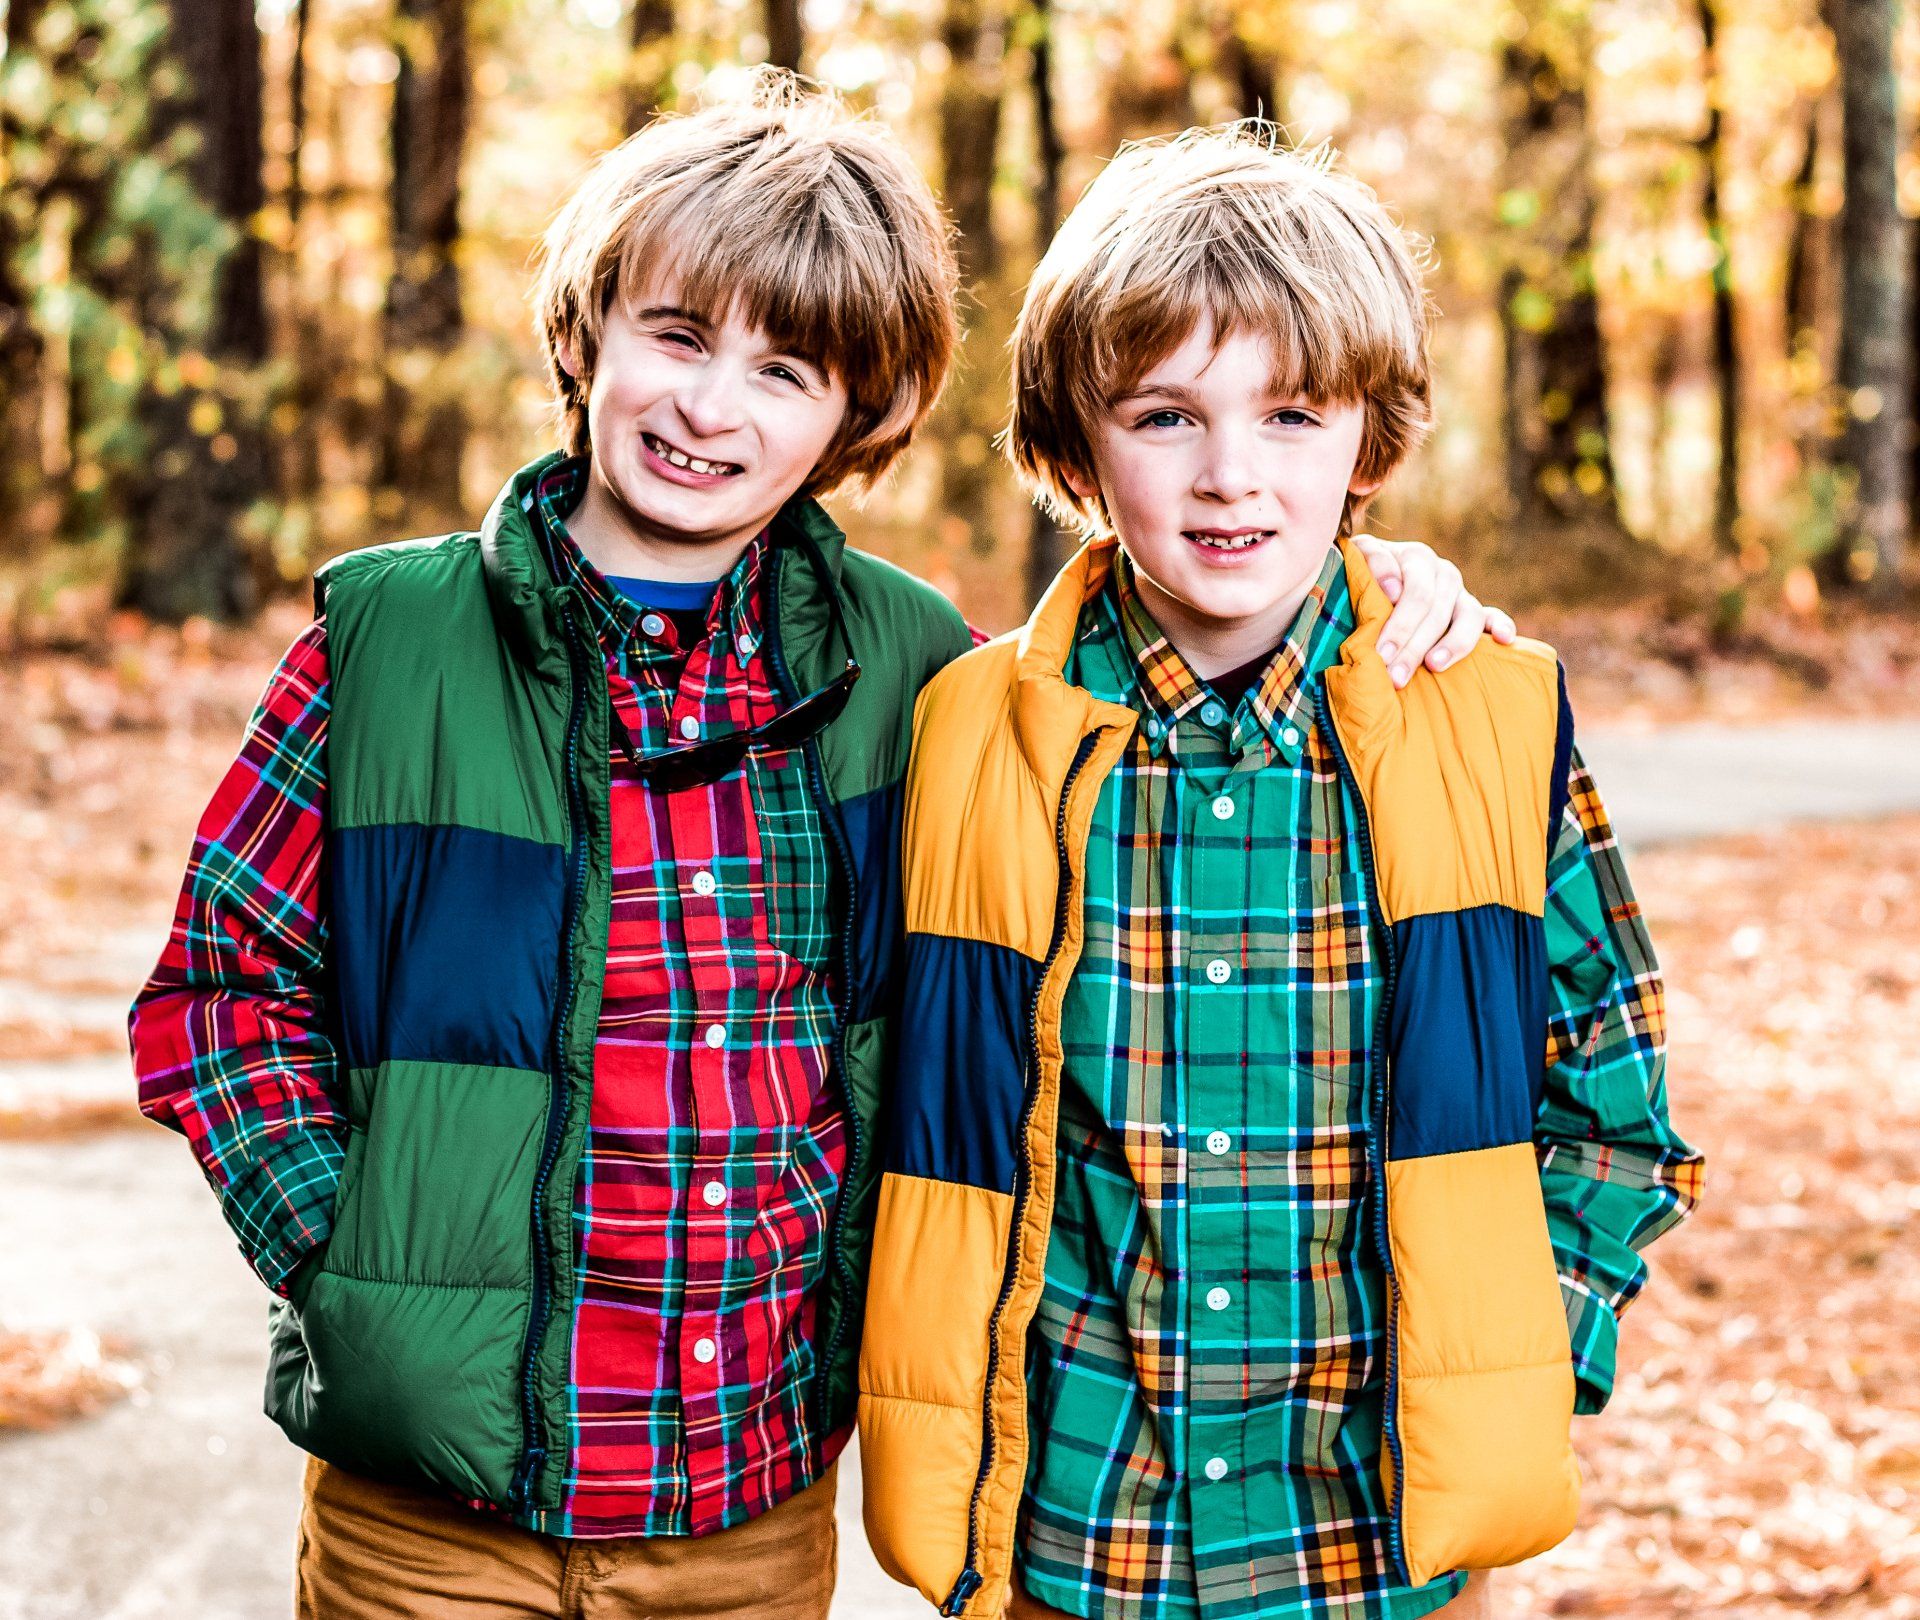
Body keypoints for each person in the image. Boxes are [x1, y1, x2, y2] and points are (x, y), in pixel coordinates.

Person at [129, 79, 1520, 1620]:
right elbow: (218, 996)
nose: (712, 408)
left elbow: (1158, 670)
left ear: (856, 415)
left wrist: (1379, 581)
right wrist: (350, 1259)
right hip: (427, 1511)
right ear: (587, 331)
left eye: (785, 367)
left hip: (748, 1489)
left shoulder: (915, 670)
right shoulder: (392, 643)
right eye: (676, 334)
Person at [856, 123, 1704, 1620]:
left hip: (1384, 1551)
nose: (1231, 475)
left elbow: (1615, 1100)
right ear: (1074, 441)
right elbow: (882, 1096)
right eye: (1165, 416)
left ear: (1370, 439)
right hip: (1072, 1538)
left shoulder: (1486, 718)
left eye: (1295, 415)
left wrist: (1519, 1359)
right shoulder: (972, 735)